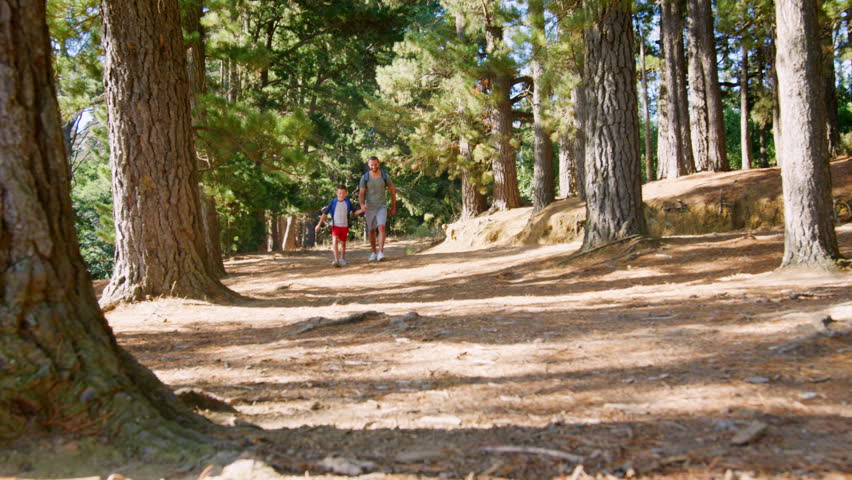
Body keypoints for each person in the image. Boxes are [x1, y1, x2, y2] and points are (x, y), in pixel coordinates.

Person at [315, 184, 365, 267]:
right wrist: (319, 224)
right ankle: (336, 260)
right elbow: (325, 213)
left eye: (343, 193)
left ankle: (342, 259)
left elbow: (354, 212)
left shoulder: (347, 202)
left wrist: (362, 210)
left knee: (343, 243)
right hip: (335, 225)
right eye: (339, 193)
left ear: (346, 193)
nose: (341, 195)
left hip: (344, 225)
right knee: (334, 241)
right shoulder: (333, 202)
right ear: (336, 193)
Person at [359, 155, 396, 261]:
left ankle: (381, 252)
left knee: (381, 227)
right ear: (368, 165)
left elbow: (392, 191)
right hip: (369, 208)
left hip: (381, 207)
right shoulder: (365, 178)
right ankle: (374, 252)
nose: (374, 166)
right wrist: (362, 205)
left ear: (378, 164)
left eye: (375, 164)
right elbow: (361, 193)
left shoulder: (385, 176)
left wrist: (393, 207)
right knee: (371, 231)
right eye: (372, 165)